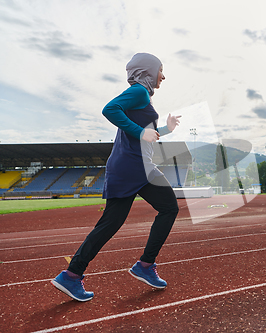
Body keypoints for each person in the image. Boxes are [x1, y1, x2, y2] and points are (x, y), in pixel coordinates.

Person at [51, 53, 181, 302]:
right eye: (160, 70)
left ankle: (72, 274)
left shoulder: (141, 95)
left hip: (131, 166)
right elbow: (109, 110)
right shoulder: (139, 93)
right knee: (168, 208)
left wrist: (166, 129)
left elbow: (145, 133)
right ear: (148, 71)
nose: (163, 76)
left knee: (111, 222)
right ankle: (144, 265)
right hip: (135, 167)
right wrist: (141, 132)